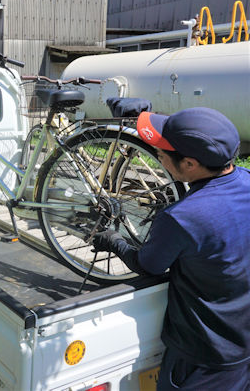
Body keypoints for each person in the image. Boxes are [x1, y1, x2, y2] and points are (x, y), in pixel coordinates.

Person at [91, 107, 250, 389]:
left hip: (203, 359)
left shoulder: (182, 217)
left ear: (189, 164)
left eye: (163, 151)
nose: (158, 154)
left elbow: (148, 264)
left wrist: (113, 240)